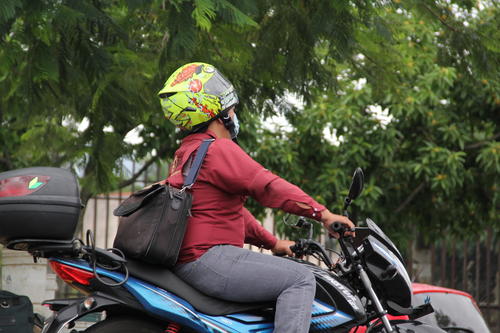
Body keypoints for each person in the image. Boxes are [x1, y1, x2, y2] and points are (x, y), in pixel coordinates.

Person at [158, 62, 354, 333]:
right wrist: (323, 214)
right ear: (218, 115)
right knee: (300, 279)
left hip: (195, 260)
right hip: (208, 258)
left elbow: (228, 212)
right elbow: (268, 186)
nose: (234, 116)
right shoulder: (218, 150)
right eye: (232, 111)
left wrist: (273, 242)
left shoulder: (188, 152)